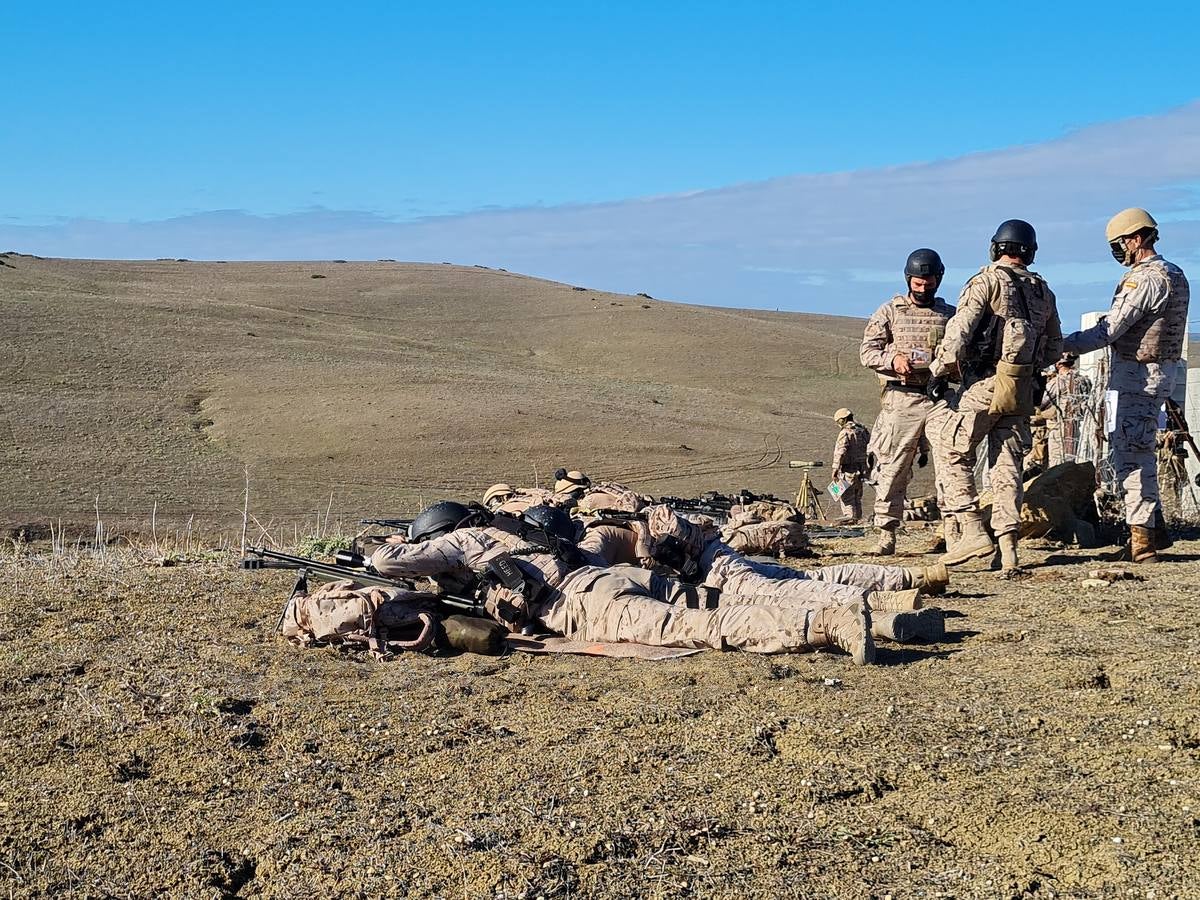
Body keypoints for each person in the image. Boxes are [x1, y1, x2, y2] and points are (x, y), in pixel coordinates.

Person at [368, 501, 877, 662]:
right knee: (717, 598)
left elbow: (389, 563)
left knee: (701, 626)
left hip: (580, 605)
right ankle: (887, 613)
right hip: (605, 575)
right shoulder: (510, 527)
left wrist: (381, 550)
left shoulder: (466, 543)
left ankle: (825, 623)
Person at [926, 219, 1063, 574]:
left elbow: (958, 334)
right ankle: (1009, 550)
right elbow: (1053, 349)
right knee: (1007, 468)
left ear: (996, 247)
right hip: (1021, 389)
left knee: (949, 447)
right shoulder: (1043, 292)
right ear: (1029, 251)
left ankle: (971, 530)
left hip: (985, 383)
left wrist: (938, 371)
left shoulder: (985, 281)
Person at [1062, 208, 1190, 562]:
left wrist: (1062, 345)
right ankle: (1156, 530)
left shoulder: (1145, 279)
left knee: (1132, 458)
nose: (1118, 251)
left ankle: (1141, 540)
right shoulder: (1175, 274)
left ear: (1136, 239)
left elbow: (1110, 329)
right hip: (1157, 374)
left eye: (1119, 244)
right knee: (1141, 450)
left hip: (1137, 376)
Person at [860, 249, 956, 554]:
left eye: (929, 282)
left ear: (938, 280)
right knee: (892, 466)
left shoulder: (950, 315)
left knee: (951, 464)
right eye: (918, 283)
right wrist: (893, 358)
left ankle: (953, 531)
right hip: (902, 400)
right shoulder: (890, 312)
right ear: (908, 280)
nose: (924, 288)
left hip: (941, 398)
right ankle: (886, 533)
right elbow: (867, 352)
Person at [1044, 354, 1092, 465]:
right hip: (1075, 427)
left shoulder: (1056, 382)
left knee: (1057, 463)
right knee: (1071, 461)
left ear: (1058, 364)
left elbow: (1042, 403)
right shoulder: (1084, 381)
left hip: (1058, 428)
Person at [830, 408, 870, 523]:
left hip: (848, 471)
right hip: (861, 470)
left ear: (843, 420)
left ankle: (851, 521)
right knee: (857, 498)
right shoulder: (863, 431)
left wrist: (835, 468)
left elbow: (841, 451)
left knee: (847, 498)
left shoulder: (845, 433)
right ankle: (858, 520)